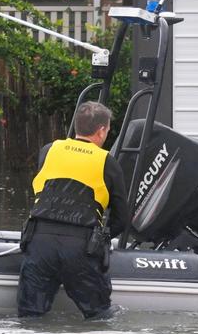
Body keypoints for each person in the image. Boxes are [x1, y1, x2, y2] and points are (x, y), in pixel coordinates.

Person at [17, 101, 129, 319]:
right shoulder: (107, 161)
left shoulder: (49, 150)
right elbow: (122, 218)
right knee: (100, 316)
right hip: (81, 247)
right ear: (101, 130)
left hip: (40, 242)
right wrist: (104, 239)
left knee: (30, 317)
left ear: (77, 126)